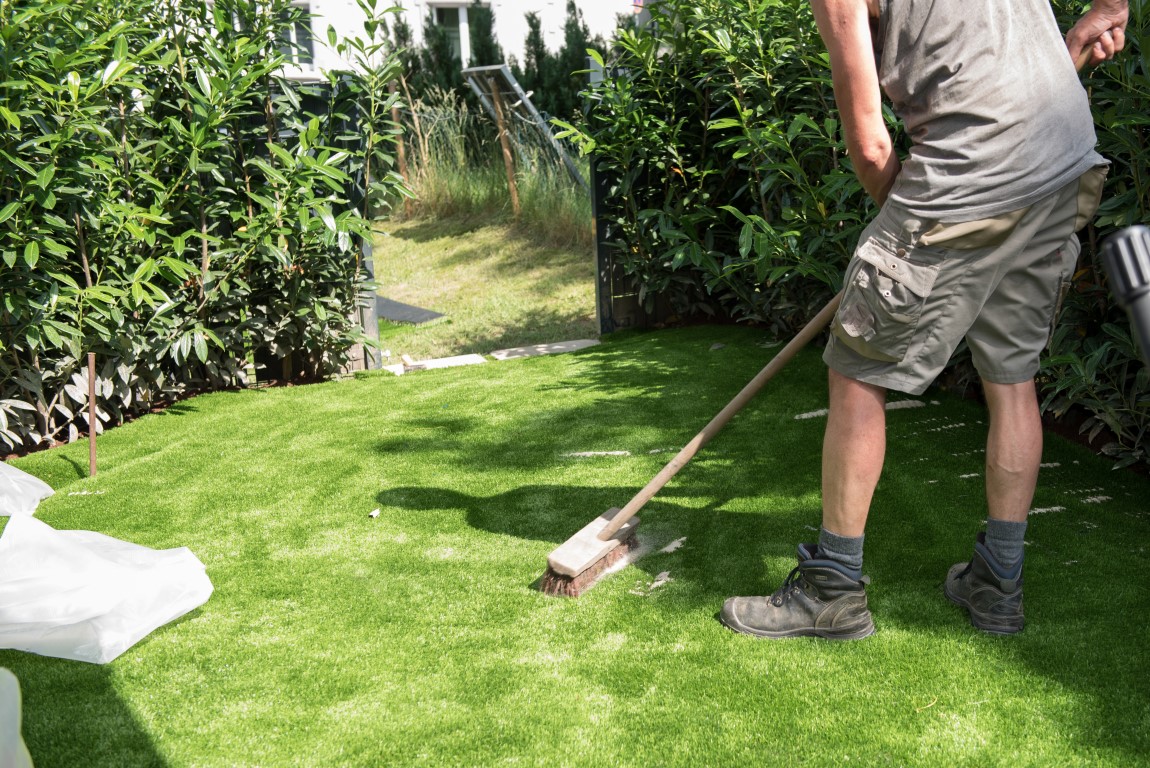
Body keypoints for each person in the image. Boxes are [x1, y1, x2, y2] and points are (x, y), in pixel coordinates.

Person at [720, 0, 1129, 639]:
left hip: (976, 174)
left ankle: (831, 589)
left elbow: (870, 142)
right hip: (1063, 162)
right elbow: (999, 72)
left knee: (858, 371)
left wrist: (908, 240)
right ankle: (997, 584)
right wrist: (1083, 34)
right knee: (1012, 374)